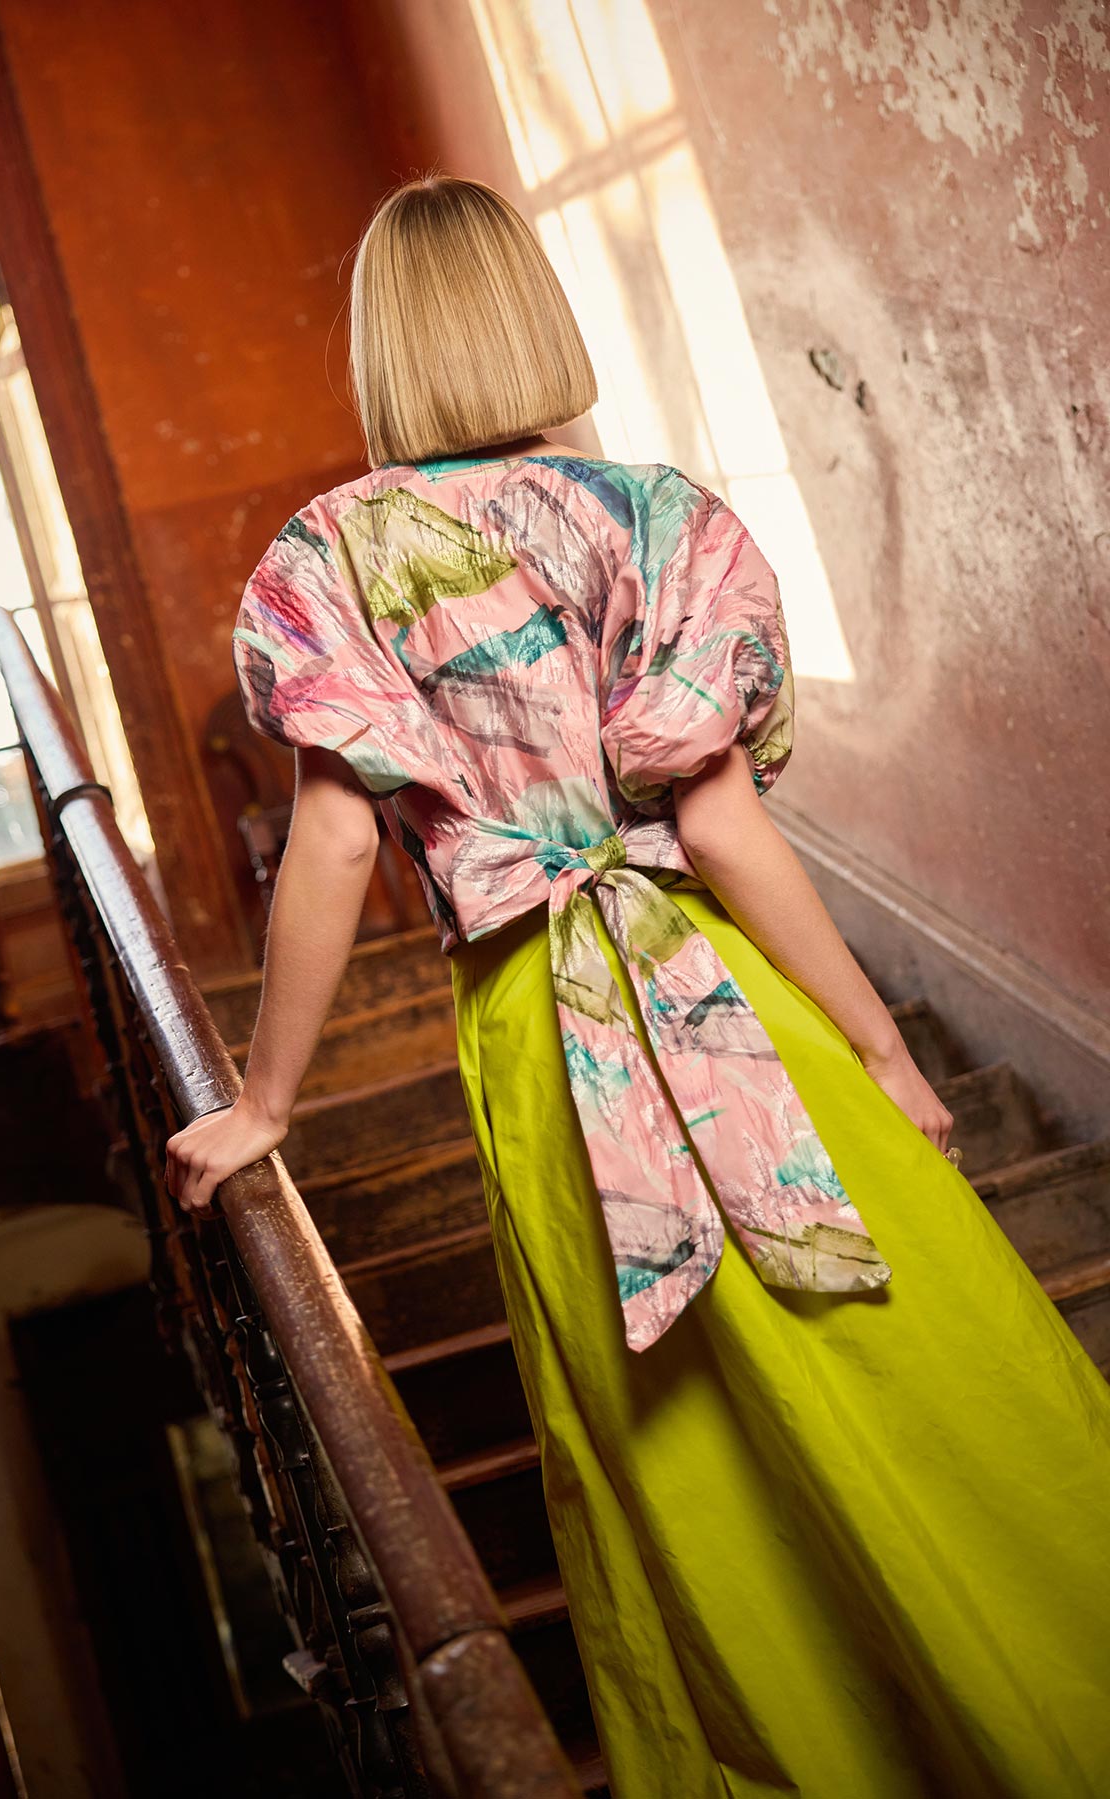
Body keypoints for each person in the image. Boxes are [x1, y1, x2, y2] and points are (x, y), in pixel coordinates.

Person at [166, 176, 1110, 1797]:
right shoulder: (663, 521)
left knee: (686, 1447)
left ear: (387, 350)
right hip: (727, 991)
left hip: (544, 1024)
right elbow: (721, 819)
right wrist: (877, 1049)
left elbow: (331, 844)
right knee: (913, 1358)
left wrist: (266, 1104)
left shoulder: (336, 558)